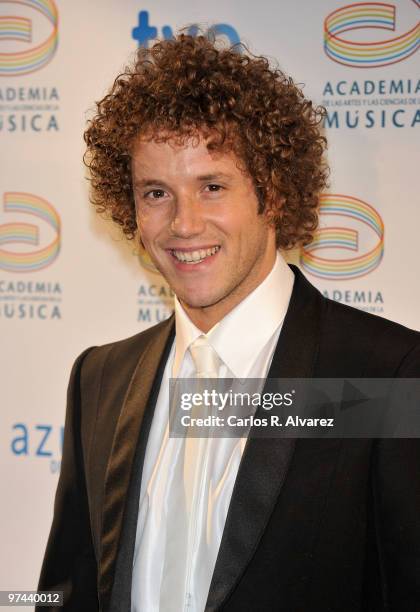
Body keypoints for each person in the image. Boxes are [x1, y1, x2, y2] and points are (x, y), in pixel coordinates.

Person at [38, 34, 420, 612]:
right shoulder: (100, 379)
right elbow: (63, 596)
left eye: (212, 186)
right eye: (157, 192)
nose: (183, 224)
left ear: (273, 191)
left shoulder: (386, 375)